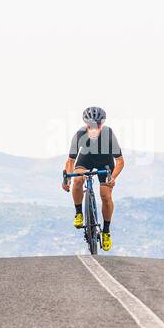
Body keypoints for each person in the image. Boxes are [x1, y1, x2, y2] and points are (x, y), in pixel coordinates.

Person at [61, 106, 124, 251]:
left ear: (102, 124)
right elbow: (70, 161)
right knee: (78, 179)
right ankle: (78, 213)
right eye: (91, 126)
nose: (95, 129)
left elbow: (120, 161)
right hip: (86, 160)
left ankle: (106, 231)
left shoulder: (108, 134)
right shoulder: (79, 135)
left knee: (105, 196)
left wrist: (113, 177)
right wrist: (68, 179)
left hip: (105, 163)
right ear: (86, 125)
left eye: (98, 125)